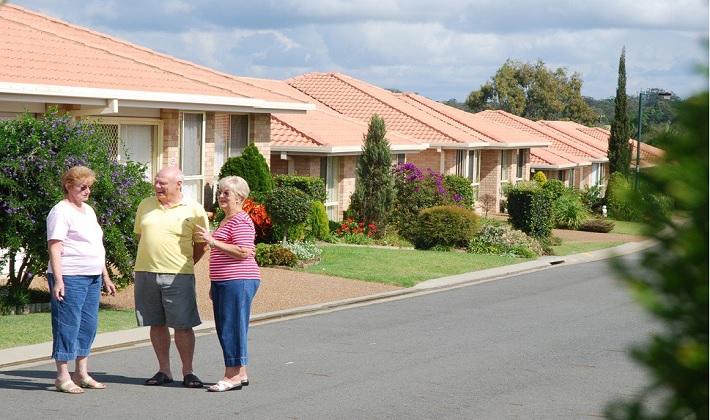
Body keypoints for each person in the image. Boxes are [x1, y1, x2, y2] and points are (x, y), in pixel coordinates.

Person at [133, 166, 209, 388]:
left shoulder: (194, 210)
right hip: (146, 273)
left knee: (182, 325)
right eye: (156, 182)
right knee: (156, 323)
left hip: (178, 276)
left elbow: (202, 245)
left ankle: (188, 372)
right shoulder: (145, 205)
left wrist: (184, 264)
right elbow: (142, 236)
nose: (157, 186)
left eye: (162, 183)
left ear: (178, 184)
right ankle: (164, 370)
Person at [47, 165, 116, 394]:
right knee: (68, 325)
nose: (87, 191)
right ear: (68, 187)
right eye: (82, 187)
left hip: (92, 276)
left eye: (89, 187)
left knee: (88, 325)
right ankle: (62, 375)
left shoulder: (88, 210)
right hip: (70, 276)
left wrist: (105, 275)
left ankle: (81, 373)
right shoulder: (60, 211)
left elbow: (97, 246)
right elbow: (55, 248)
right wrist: (59, 280)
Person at [194, 176, 260, 392]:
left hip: (238, 280)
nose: (221, 196)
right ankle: (240, 373)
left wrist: (213, 241)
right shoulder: (226, 220)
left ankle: (231, 376)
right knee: (228, 326)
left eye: (226, 193)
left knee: (232, 327)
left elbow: (244, 251)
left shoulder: (240, 220)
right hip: (225, 281)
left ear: (240, 197)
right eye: (220, 192)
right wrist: (214, 283)